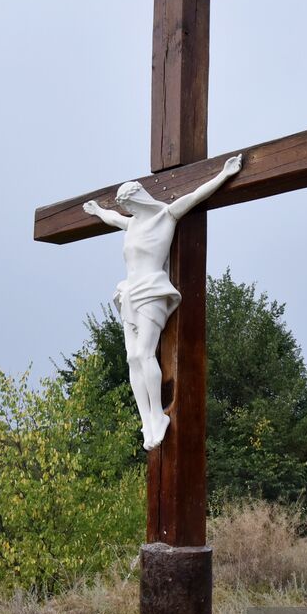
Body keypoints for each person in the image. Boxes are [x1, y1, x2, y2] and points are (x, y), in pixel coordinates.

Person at [82, 153, 243, 450]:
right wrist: (96, 211)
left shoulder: (166, 215)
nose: (125, 209)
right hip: (129, 291)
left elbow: (195, 195)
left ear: (139, 200)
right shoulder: (130, 225)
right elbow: (111, 217)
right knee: (132, 358)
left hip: (153, 290)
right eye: (124, 207)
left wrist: (224, 174)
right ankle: (147, 420)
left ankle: (158, 415)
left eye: (128, 204)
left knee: (145, 353)